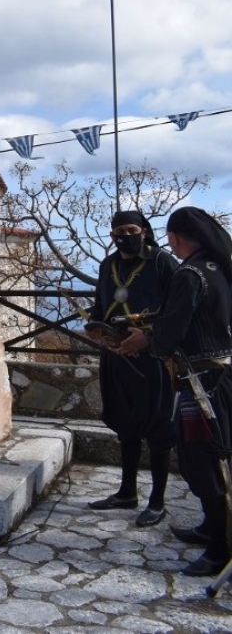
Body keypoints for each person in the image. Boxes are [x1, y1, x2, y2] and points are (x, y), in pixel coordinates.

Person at [120, 206, 232, 576]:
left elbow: (170, 336)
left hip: (201, 385)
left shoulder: (189, 274)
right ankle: (209, 527)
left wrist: (146, 338)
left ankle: (219, 548)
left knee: (204, 460)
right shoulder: (218, 269)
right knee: (219, 457)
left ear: (177, 237)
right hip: (223, 378)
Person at [83, 211, 178, 527]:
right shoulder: (107, 265)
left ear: (145, 232)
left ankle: (158, 501)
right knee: (126, 424)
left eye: (131, 229)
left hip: (152, 357)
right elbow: (100, 303)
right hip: (115, 353)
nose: (125, 236)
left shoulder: (162, 262)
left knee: (158, 426)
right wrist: (95, 327)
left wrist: (149, 338)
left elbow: (180, 310)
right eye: (118, 231)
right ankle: (127, 492)